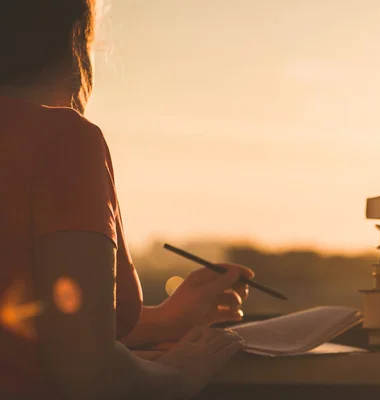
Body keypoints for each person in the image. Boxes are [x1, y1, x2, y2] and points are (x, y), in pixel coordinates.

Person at [0, 1, 255, 399]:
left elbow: (27, 323)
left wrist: (167, 319)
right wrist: (179, 376)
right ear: (72, 38)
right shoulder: (60, 139)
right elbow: (85, 372)